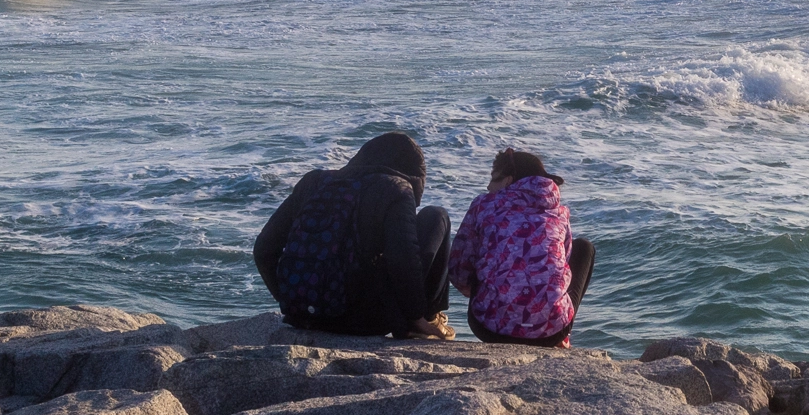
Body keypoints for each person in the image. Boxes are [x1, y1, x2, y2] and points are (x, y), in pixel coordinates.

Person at [253, 131, 452, 339]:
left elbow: (264, 249)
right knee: (436, 216)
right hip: (363, 322)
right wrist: (414, 316)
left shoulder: (313, 182)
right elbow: (402, 260)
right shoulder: (396, 188)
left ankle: (307, 307)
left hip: (302, 316)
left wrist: (292, 301)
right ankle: (426, 319)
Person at [448, 148, 594, 348]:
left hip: (487, 328)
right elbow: (563, 267)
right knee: (584, 248)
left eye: (493, 179)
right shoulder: (559, 212)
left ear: (508, 181)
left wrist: (474, 287)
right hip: (550, 332)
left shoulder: (483, 204)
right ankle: (559, 332)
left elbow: (459, 267)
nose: (489, 186)